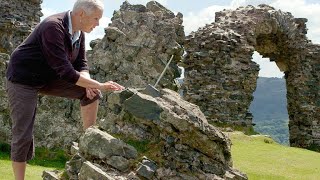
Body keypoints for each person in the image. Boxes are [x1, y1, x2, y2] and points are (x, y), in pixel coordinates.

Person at [5, 0, 125, 179]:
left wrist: (91, 85)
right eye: (96, 18)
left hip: (48, 77)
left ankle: (88, 147)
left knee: (91, 94)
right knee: (23, 134)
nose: (98, 24)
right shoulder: (53, 26)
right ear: (81, 15)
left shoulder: (79, 33)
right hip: (23, 79)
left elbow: (81, 64)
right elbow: (65, 71)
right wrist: (99, 84)